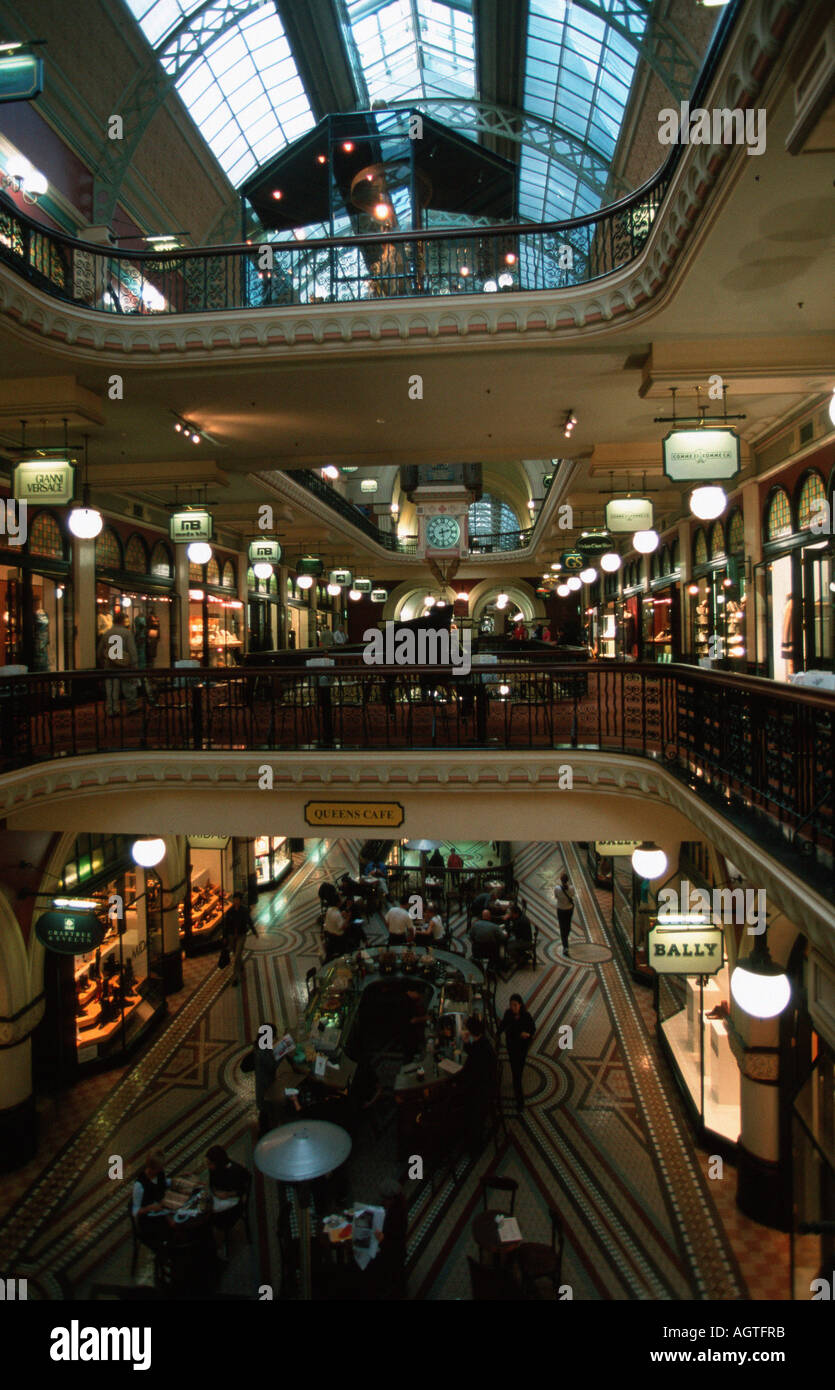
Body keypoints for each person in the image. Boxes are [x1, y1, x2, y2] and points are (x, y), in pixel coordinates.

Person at [456, 1015, 497, 1152]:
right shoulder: (483, 1042)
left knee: (460, 1100)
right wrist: (467, 1042)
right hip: (487, 1083)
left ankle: (473, 1145)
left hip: (482, 1091)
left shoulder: (480, 1050)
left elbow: (470, 1071)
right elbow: (474, 1054)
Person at [97, 611, 140, 716]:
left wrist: (103, 663)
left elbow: (100, 651)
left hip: (110, 665)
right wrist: (134, 664)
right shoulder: (127, 633)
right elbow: (132, 650)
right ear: (122, 621)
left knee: (111, 689)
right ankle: (131, 707)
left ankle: (112, 709)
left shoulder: (107, 633)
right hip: (125, 665)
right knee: (128, 687)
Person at [498, 994, 536, 1111]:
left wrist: (527, 1034)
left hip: (522, 1047)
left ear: (520, 1005)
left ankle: (519, 1098)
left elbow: (532, 1029)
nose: (513, 1007)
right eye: (511, 1005)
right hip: (512, 1046)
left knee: (517, 1071)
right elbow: (503, 1026)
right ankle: (520, 1100)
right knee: (516, 1072)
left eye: (515, 1005)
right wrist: (497, 1034)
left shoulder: (526, 1016)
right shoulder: (508, 1014)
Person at [131, 1148, 171, 1248]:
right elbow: (135, 1211)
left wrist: (177, 1181)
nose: (162, 1169)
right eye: (160, 1168)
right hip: (149, 1220)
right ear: (152, 1168)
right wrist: (150, 1208)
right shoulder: (139, 1185)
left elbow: (164, 1183)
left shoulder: (159, 1173)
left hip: (161, 1210)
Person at [222, 891, 257, 985]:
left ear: (240, 901)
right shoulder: (230, 912)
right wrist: (225, 937)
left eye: (237, 900)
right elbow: (226, 925)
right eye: (235, 899)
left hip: (241, 935)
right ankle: (240, 965)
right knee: (236, 954)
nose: (235, 901)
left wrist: (254, 931)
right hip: (231, 936)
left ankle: (235, 977)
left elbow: (249, 921)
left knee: (237, 955)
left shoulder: (244, 910)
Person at [206, 1144, 248, 1214]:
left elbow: (242, 1190)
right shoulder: (213, 1169)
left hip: (232, 1197)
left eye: (210, 1163)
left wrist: (228, 1194)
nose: (208, 1166)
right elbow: (211, 1184)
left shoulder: (235, 1171)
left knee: (209, 1210)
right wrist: (215, 1192)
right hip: (219, 1194)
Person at [554, 870, 575, 956]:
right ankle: (567, 933)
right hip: (569, 909)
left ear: (561, 880)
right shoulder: (572, 888)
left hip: (561, 909)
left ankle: (565, 946)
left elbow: (556, 897)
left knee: (562, 926)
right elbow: (572, 895)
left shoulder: (557, 889)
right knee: (568, 923)